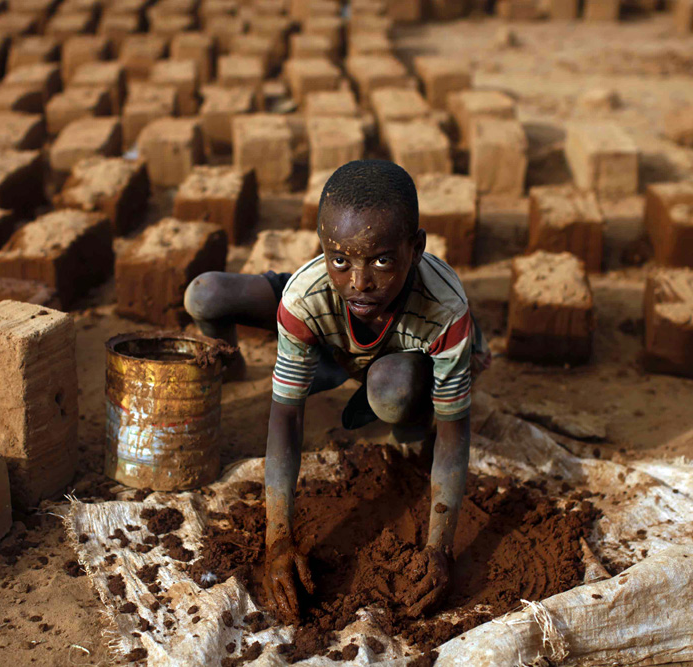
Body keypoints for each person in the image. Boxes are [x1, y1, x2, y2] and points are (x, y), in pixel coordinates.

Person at [184, 160, 491, 622]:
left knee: (391, 390)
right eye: (341, 259)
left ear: (417, 247)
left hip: (403, 357)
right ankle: (328, 370)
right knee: (206, 293)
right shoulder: (309, 296)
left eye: (382, 259)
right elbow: (285, 417)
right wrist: (279, 541)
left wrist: (439, 550)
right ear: (323, 249)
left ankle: (407, 431)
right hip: (335, 340)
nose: (361, 282)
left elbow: (455, 430)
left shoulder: (445, 308)